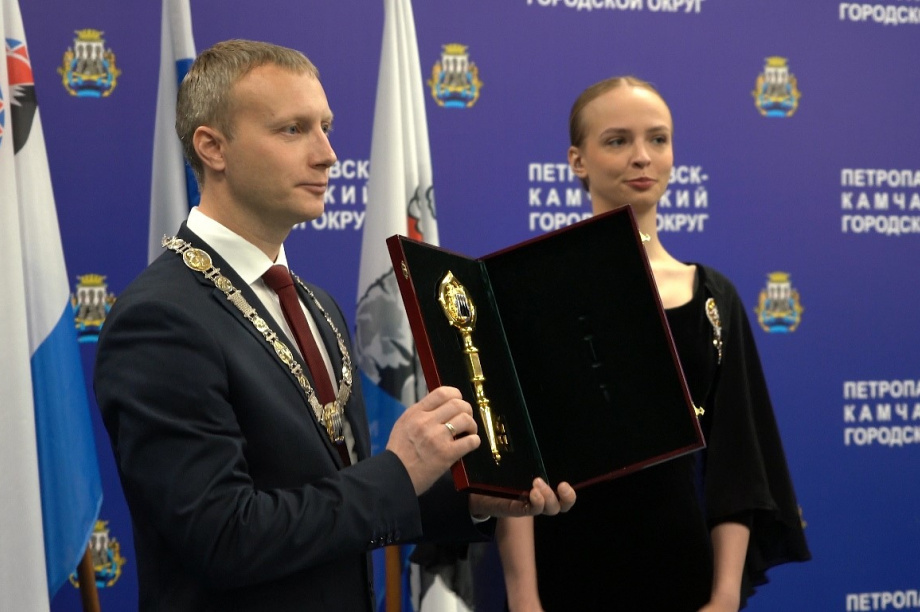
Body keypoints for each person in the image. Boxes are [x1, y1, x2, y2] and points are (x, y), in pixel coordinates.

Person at [94, 39, 575, 612]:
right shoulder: (161, 318)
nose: (328, 154)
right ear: (212, 147)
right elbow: (223, 537)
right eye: (293, 129)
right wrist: (399, 471)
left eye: (325, 126)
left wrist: (476, 499)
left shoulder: (316, 306)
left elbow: (338, 502)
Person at [496, 77, 810, 611]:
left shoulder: (713, 297)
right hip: (563, 571)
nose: (642, 157)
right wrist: (526, 600)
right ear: (578, 160)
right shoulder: (530, 289)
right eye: (617, 140)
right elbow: (511, 462)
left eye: (657, 139)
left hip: (683, 575)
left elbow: (737, 464)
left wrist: (725, 597)